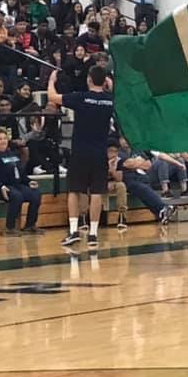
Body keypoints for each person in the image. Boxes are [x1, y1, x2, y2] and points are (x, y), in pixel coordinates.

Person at [47, 67, 113, 248]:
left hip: (80, 151)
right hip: (100, 152)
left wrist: (51, 81)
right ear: (105, 81)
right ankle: (93, 234)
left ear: (89, 79)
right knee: (97, 192)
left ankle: (74, 231)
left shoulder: (81, 97)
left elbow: (52, 97)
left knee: (74, 191)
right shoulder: (111, 100)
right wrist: (111, 87)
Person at [0, 127, 43, 235]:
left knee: (35, 194)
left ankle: (30, 225)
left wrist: (28, 181)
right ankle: (10, 227)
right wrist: (0, 186)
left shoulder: (11, 154)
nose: (3, 141)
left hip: (14, 185)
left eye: (5, 138)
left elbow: (20, 173)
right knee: (16, 196)